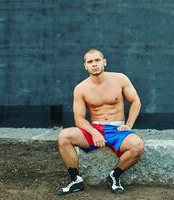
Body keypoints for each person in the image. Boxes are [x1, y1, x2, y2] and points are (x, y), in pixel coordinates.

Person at [56, 49, 144, 195]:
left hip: (117, 130)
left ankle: (114, 176)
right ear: (85, 66)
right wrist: (94, 132)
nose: (94, 64)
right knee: (64, 136)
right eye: (90, 62)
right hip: (95, 128)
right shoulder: (81, 88)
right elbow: (79, 119)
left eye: (97, 60)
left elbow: (135, 102)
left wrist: (128, 125)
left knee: (137, 146)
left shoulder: (120, 79)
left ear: (104, 61)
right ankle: (76, 180)